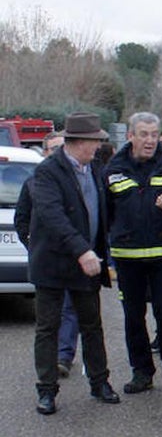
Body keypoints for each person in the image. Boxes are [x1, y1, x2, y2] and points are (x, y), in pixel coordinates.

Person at [28, 112, 121, 414]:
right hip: (54, 265)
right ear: (80, 142)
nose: (99, 147)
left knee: (92, 325)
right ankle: (47, 390)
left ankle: (99, 382)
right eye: (95, 141)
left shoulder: (94, 168)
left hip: (88, 264)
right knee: (48, 328)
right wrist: (81, 250)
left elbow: (104, 210)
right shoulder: (47, 172)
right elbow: (51, 215)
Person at [106, 112, 162, 394]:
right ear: (131, 136)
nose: (150, 140)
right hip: (128, 257)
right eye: (144, 134)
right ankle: (141, 372)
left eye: (154, 135)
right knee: (133, 318)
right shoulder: (113, 169)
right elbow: (106, 214)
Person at [15, 131, 81, 379]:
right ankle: (47, 362)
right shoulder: (32, 183)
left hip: (73, 255)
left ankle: (64, 356)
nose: (58, 153)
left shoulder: (78, 179)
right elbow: (22, 218)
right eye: (53, 149)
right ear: (44, 152)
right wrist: (31, 245)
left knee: (70, 309)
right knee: (48, 318)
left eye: (61, 147)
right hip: (46, 259)